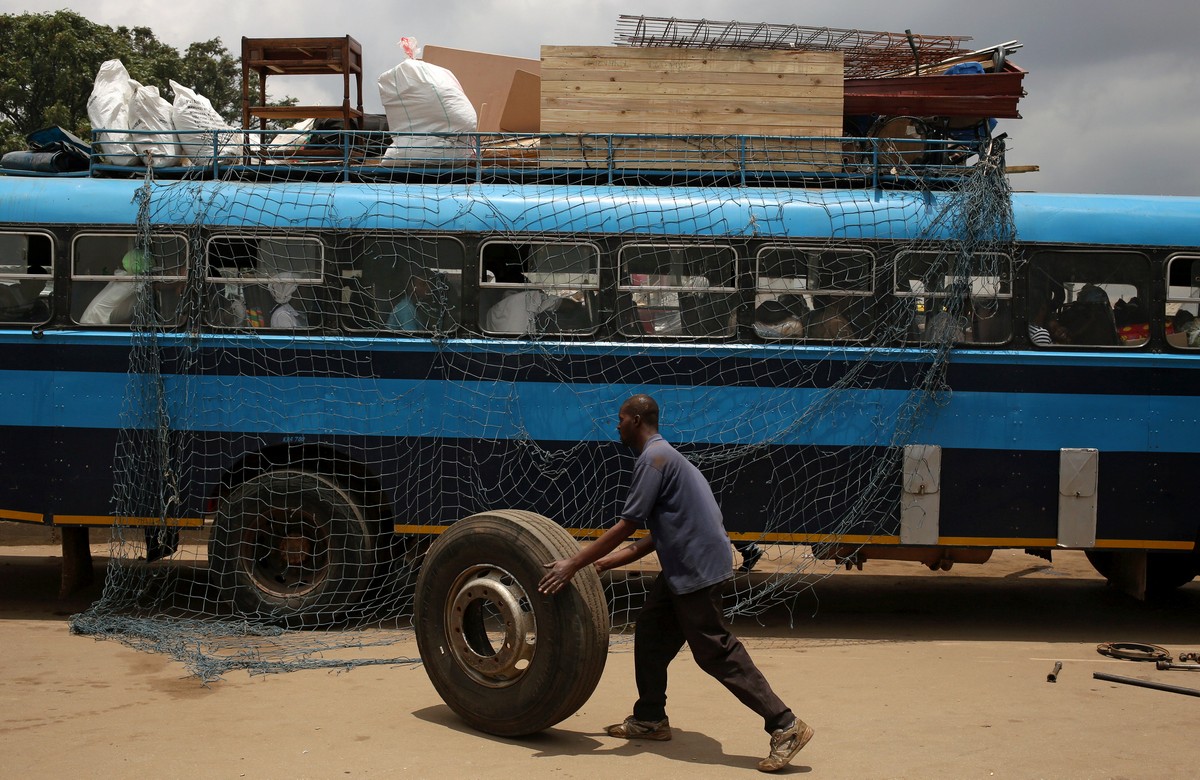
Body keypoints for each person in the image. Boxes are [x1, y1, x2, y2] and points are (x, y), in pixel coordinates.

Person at [538, 394, 814, 773]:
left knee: (714, 650)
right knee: (650, 633)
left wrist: (573, 563)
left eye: (620, 419)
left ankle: (785, 725)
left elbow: (628, 525)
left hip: (696, 565)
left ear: (636, 420)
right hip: (684, 564)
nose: (615, 425)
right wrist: (599, 564)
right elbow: (650, 539)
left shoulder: (653, 460)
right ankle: (650, 718)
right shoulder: (664, 457)